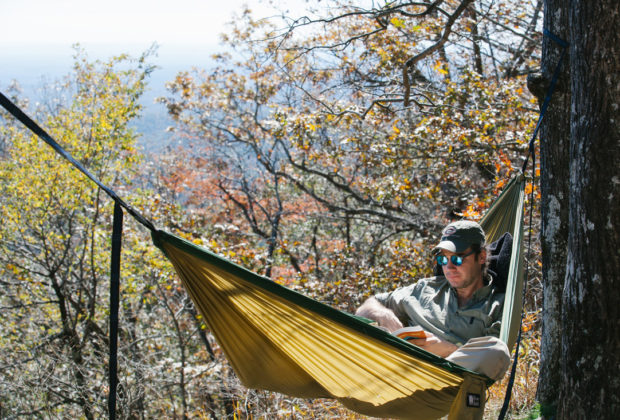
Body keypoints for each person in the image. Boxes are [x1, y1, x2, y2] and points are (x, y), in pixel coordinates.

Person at [355, 220, 510, 381]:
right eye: (443, 260)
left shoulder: (497, 304)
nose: (449, 267)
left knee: (496, 351)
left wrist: (447, 350)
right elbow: (367, 306)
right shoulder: (425, 288)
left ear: (482, 257)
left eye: (457, 259)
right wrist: (384, 315)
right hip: (399, 371)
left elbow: (493, 359)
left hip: (449, 381)